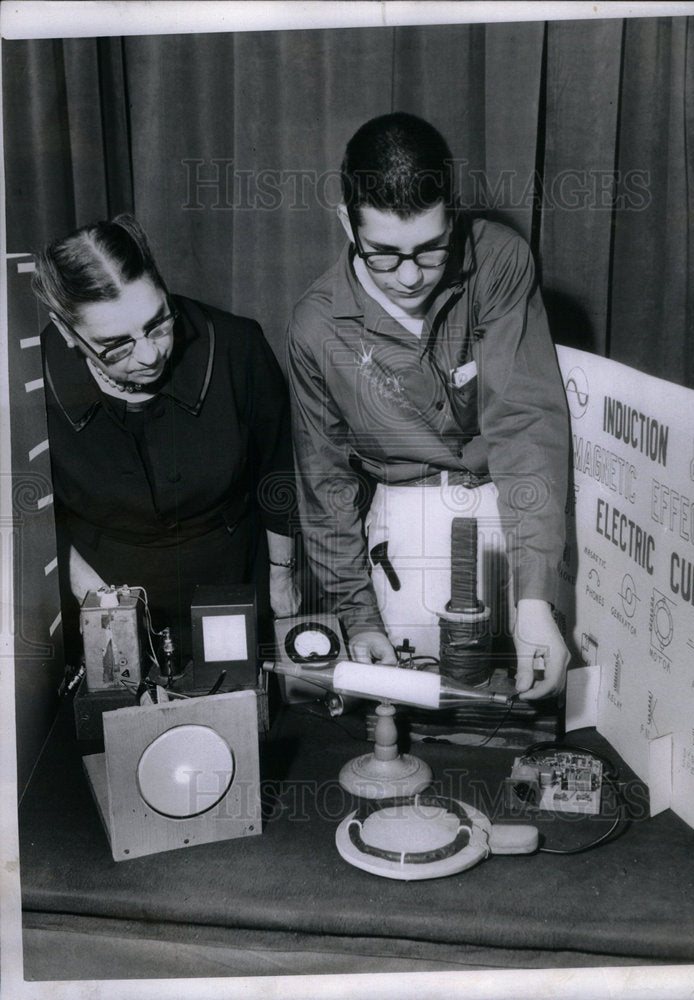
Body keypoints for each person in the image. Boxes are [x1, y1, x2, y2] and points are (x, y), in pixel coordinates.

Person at [287, 113, 571, 700]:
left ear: (454, 214)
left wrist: (535, 597)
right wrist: (359, 614)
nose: (411, 276)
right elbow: (325, 485)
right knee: (411, 709)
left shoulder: (500, 260)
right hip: (398, 532)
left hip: (512, 517)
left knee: (526, 704)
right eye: (383, 255)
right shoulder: (315, 326)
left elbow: (525, 426)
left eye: (432, 249)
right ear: (347, 222)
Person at [33, 214, 299, 669]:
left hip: (232, 579)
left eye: (158, 323)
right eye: (115, 346)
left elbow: (277, 469)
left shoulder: (237, 345)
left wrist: (282, 578)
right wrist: (100, 606)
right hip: (103, 592)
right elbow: (38, 516)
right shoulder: (32, 382)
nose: (150, 353)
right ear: (65, 331)